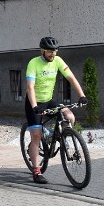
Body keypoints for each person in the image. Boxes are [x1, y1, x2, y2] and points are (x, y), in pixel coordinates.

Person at [26, 36, 88, 184]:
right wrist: (35, 106)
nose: (52, 54)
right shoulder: (33, 63)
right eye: (49, 52)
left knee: (70, 117)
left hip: (49, 101)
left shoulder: (58, 61)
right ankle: (36, 171)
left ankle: (60, 134)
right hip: (33, 102)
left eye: (54, 51)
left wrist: (82, 95)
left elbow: (71, 78)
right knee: (36, 136)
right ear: (42, 50)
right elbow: (30, 87)